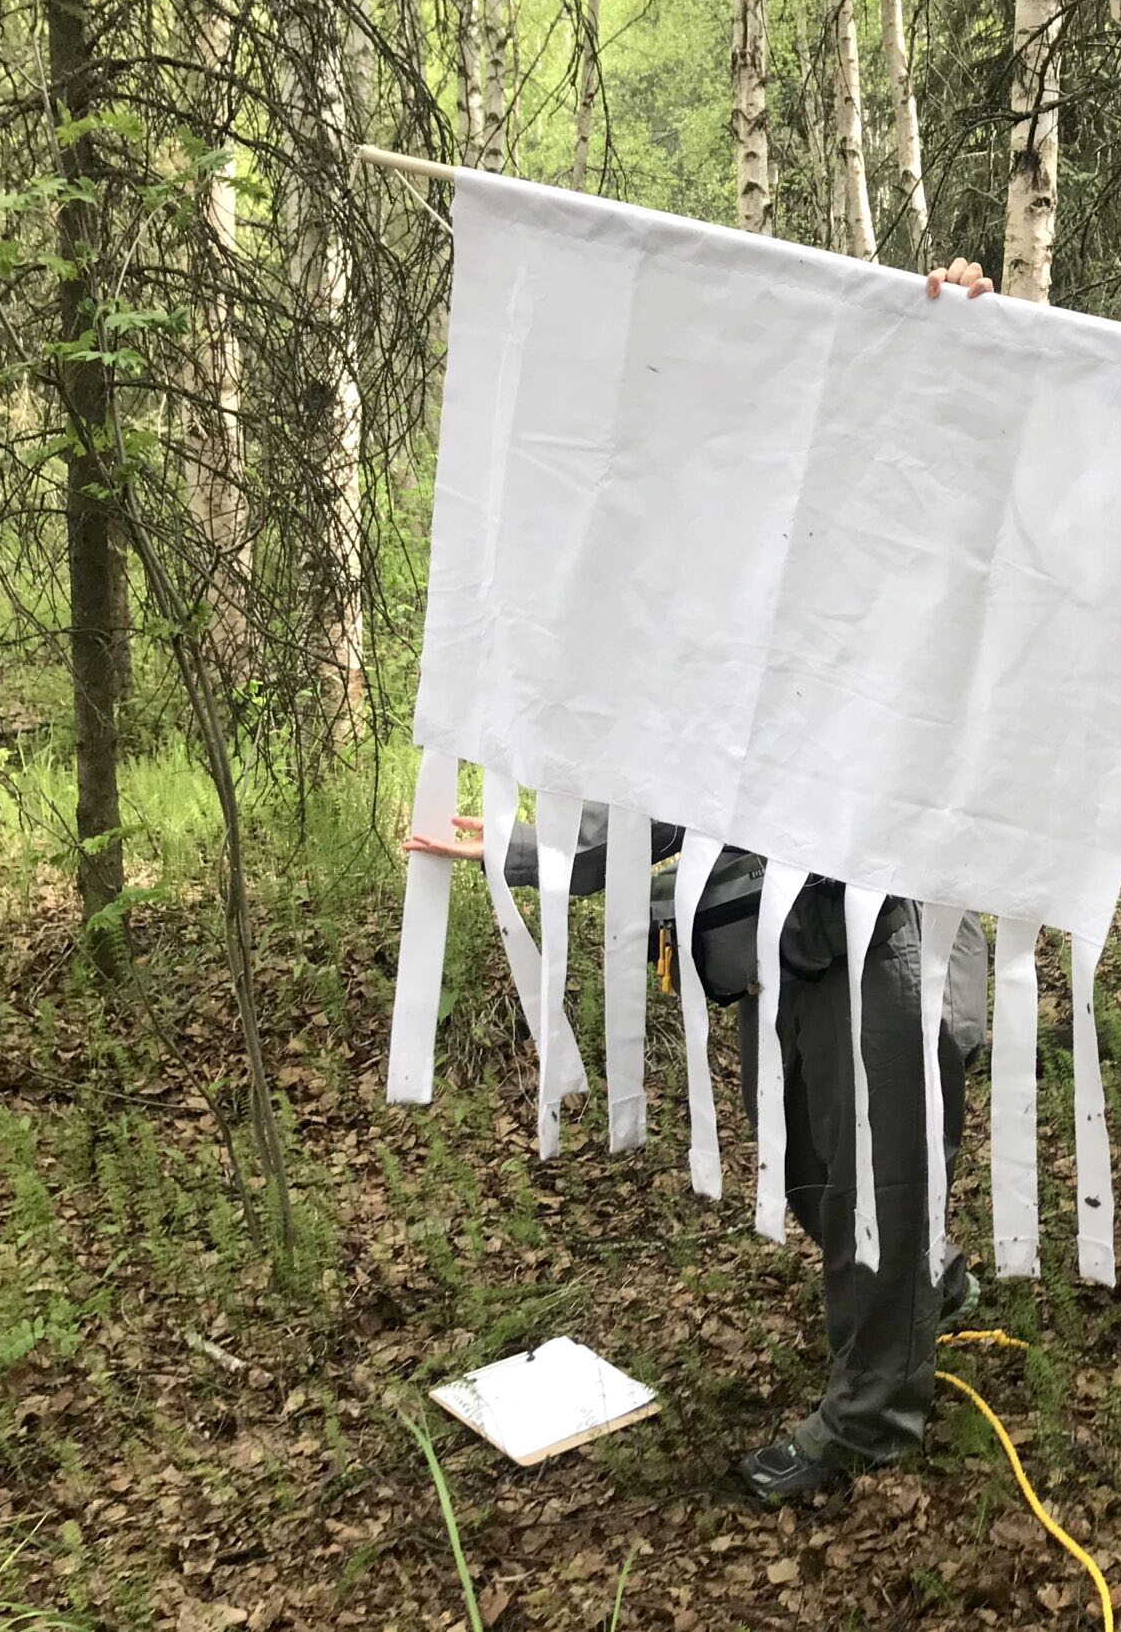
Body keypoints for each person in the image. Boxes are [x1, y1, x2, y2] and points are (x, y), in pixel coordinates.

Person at [403, 257, 1007, 1504]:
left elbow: (984, 521)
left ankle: (874, 1414)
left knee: (868, 1191)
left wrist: (970, 344)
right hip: (779, 956)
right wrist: (501, 853)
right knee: (813, 1176)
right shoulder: (736, 639)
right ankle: (925, 1288)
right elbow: (655, 820)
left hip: (886, 934)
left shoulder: (899, 574)